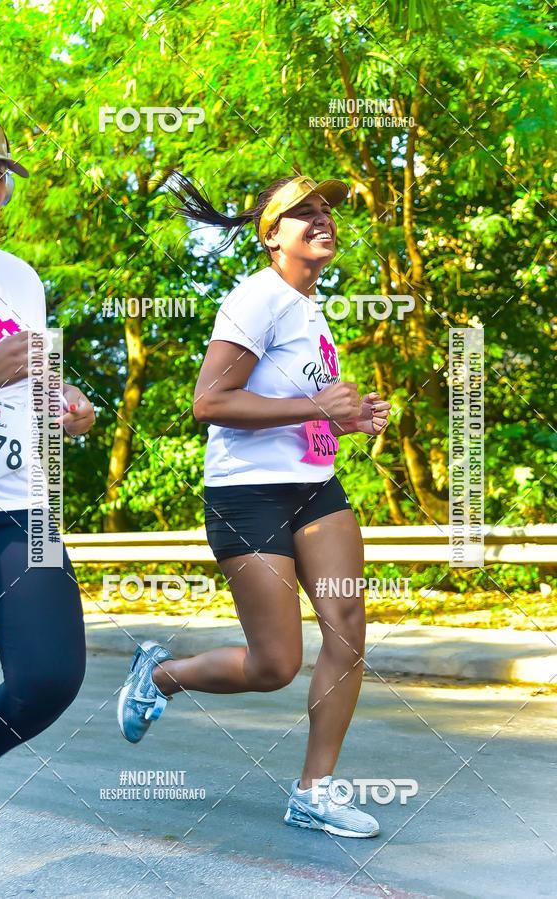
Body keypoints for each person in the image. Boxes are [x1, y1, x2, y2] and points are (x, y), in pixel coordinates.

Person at [117, 172, 391, 838]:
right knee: (275, 664)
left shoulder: (310, 306)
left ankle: (314, 791)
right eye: (305, 212)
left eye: (326, 211)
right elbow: (208, 402)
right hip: (248, 493)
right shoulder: (257, 298)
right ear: (272, 234)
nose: (323, 219)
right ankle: (163, 673)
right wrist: (314, 405)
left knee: (348, 626)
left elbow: (298, 411)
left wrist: (342, 421)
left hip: (315, 486)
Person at [0, 101, 95, 861]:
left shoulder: (21, 277)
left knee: (50, 674)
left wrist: (66, 404)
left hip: (24, 502)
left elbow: (34, 383)